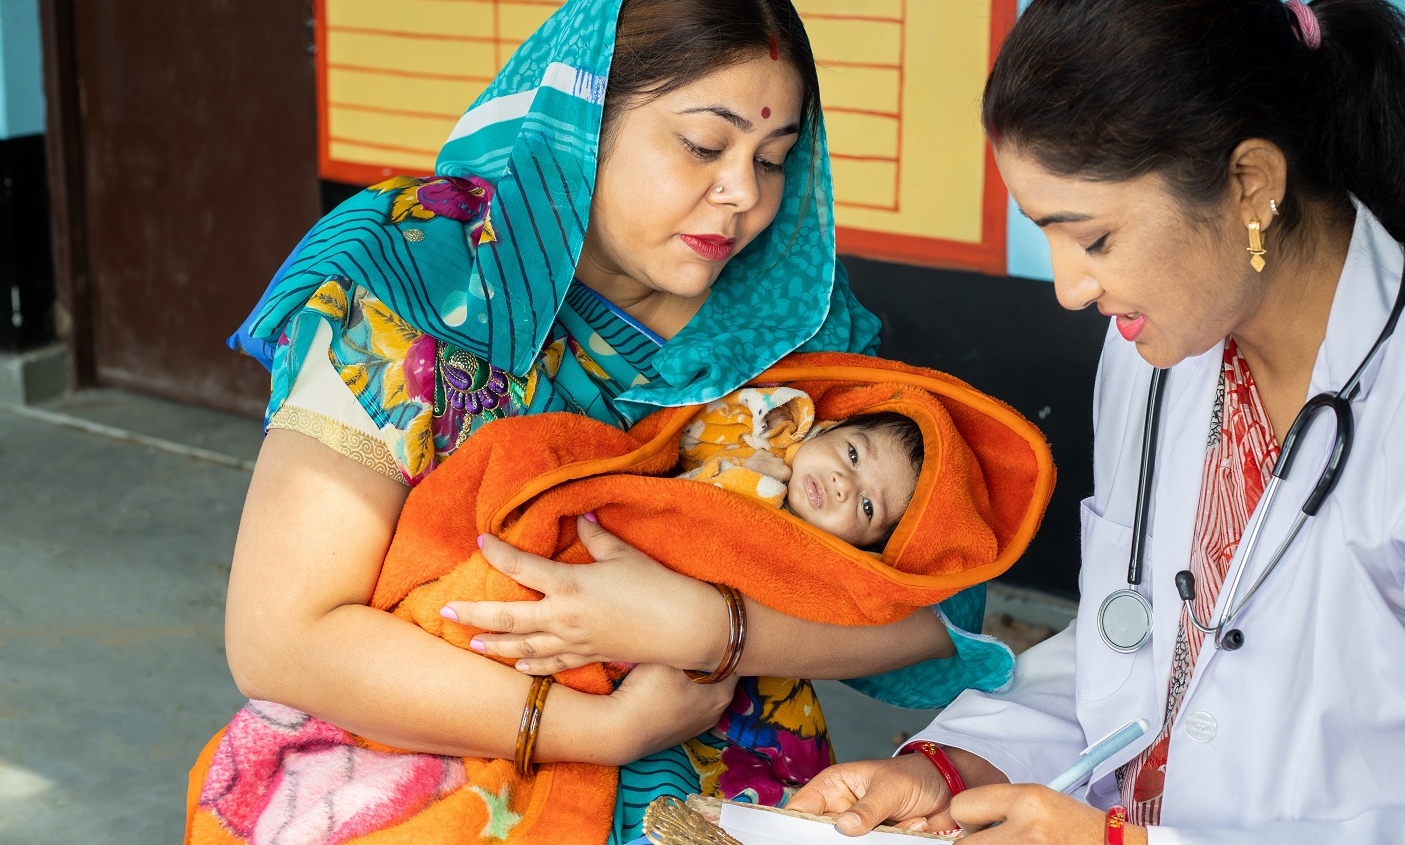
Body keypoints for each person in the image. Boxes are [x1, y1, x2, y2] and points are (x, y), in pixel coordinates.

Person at [196, 1, 1020, 842]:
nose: (743, 194)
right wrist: (601, 730)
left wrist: (711, 625)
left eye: (773, 160)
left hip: (728, 794)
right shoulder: (420, 279)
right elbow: (282, 640)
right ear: (580, 120)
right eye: (704, 145)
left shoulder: (790, 320)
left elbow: (934, 610)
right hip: (432, 767)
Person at [785, 0, 1405, 841]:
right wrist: (949, 771)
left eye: (1093, 239)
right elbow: (1131, 654)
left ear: (1250, 185)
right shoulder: (1158, 354)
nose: (1069, 289)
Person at [679, 387, 924, 549]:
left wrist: (749, 480)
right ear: (833, 427)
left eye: (868, 506)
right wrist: (765, 413)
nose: (843, 484)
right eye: (853, 454)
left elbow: (689, 519)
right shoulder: (781, 425)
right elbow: (688, 433)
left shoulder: (793, 551)